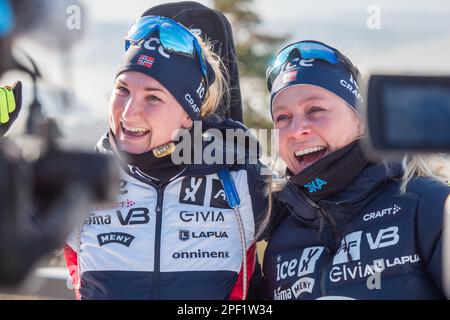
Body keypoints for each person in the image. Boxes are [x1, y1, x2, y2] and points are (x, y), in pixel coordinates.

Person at [64, 16, 267, 300]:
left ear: (188, 117)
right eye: (123, 90)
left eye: (153, 98)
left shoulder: (241, 180)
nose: (128, 112)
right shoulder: (78, 181)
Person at [259, 40, 450, 299]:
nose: (297, 130)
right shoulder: (279, 238)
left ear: (361, 122)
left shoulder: (427, 205)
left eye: (315, 109)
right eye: (283, 117)